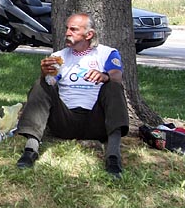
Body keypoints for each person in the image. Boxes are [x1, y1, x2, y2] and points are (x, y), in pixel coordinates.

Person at [14, 13, 129, 179]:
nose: (67, 33)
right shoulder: (59, 57)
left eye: (73, 29)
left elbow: (117, 76)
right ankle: (30, 150)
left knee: (114, 87)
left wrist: (105, 76)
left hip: (96, 120)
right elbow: (50, 82)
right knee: (41, 84)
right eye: (67, 28)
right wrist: (45, 73)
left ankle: (113, 157)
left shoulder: (107, 53)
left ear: (89, 34)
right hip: (65, 120)